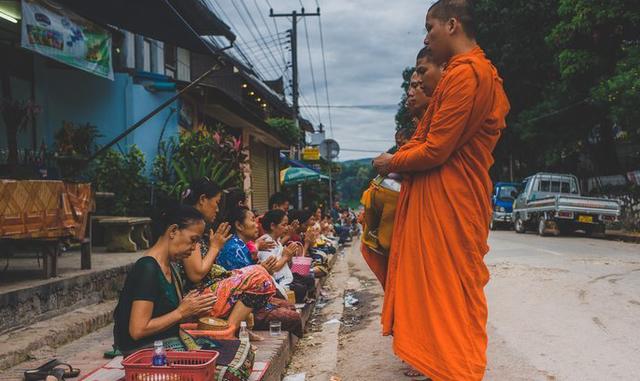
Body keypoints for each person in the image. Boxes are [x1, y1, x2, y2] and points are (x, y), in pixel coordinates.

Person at [373, 1, 510, 380]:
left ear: (451, 25)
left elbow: (436, 148)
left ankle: (460, 369)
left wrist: (391, 162)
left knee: (450, 290)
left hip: (453, 199)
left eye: (429, 27)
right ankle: (446, 365)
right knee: (440, 289)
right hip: (448, 196)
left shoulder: (467, 74)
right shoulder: (472, 73)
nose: (426, 36)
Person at [362, 46, 442, 287]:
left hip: (427, 222)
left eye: (417, 85)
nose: (411, 92)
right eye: (409, 86)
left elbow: (430, 157)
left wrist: (392, 163)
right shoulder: (420, 128)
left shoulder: (438, 124)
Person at [112, 205, 216, 354]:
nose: (194, 248)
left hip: (166, 342)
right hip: (144, 352)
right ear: (173, 231)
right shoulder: (147, 268)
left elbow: (173, 317)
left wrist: (194, 310)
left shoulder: (171, 267)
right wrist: (181, 312)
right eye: (193, 240)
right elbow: (137, 330)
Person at [177, 178, 277, 333]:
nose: (217, 209)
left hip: (206, 291)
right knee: (259, 277)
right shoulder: (189, 227)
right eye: (216, 203)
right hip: (195, 298)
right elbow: (196, 274)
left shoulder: (196, 226)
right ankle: (227, 331)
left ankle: (231, 328)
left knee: (259, 273)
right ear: (203, 200)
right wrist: (215, 247)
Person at [218, 207, 304, 337]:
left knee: (289, 306)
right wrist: (263, 269)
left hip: (254, 300)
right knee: (293, 317)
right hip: (242, 307)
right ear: (239, 225)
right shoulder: (234, 249)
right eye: (252, 220)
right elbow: (244, 287)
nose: (256, 224)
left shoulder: (242, 246)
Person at [258, 210, 315, 303]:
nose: (286, 228)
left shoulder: (277, 241)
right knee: (301, 289)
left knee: (308, 279)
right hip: (278, 281)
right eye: (283, 225)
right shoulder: (266, 242)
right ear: (273, 226)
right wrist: (286, 257)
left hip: (287, 276)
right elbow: (273, 268)